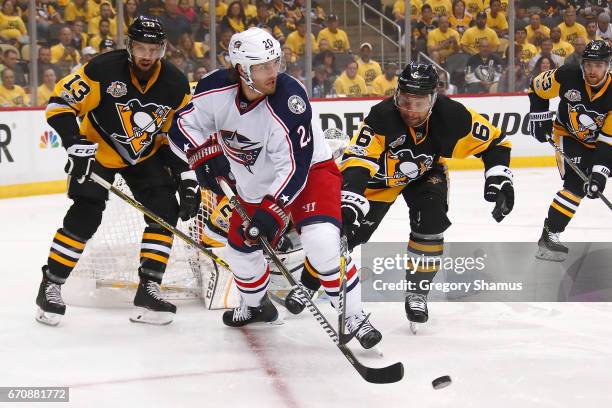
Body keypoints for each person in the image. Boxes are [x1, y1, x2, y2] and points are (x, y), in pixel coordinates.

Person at [168, 27, 382, 348]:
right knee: (239, 251)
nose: (274, 73)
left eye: (276, 63)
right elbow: (182, 125)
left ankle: (353, 314)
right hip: (253, 182)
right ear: (242, 69)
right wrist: (201, 155)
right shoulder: (213, 89)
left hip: (310, 174)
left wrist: (273, 212)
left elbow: (294, 165)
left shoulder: (289, 99)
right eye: (263, 66)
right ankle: (256, 306)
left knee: (322, 243)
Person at [295, 62, 513, 327]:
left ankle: (417, 292)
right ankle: (307, 283)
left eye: (419, 103)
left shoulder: (454, 116)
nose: (410, 110)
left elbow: (496, 142)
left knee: (431, 222)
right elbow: (358, 159)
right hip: (380, 181)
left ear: (433, 99)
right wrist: (351, 197)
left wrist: (499, 177)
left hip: (425, 175)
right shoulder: (381, 116)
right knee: (346, 232)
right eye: (405, 101)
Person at [36, 16, 195, 327]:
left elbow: (176, 136)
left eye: (154, 49)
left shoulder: (176, 84)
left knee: (165, 209)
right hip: (97, 151)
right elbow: (59, 105)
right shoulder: (103, 69)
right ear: (129, 46)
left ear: (162, 49)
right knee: (86, 213)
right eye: (141, 48)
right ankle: (51, 284)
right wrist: (74, 143)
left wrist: (186, 175)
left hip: (144, 155)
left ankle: (149, 287)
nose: (147, 56)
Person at [529, 40, 611, 261]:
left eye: (599, 65)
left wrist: (599, 176)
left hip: (600, 142)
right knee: (577, 184)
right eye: (589, 65)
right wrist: (539, 117)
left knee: (594, 177)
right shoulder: (568, 75)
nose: (593, 70)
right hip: (568, 135)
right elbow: (536, 86)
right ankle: (549, 235)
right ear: (582, 64)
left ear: (608, 66)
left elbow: (607, 143)